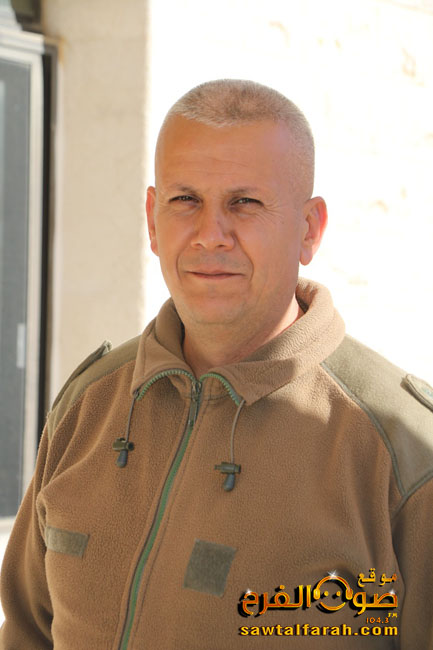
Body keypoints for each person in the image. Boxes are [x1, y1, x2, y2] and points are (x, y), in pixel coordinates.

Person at [1, 79, 432, 649]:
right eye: (186, 200)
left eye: (244, 203)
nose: (210, 235)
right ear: (152, 220)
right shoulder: (91, 402)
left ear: (309, 229)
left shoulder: (403, 450)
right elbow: (27, 632)